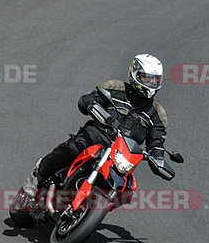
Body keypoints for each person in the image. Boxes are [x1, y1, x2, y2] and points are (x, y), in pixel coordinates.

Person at [20, 54, 169, 206]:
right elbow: (88, 99)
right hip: (96, 136)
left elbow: (156, 142)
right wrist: (91, 104)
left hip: (121, 155)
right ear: (135, 73)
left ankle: (89, 211)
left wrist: (158, 159)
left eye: (155, 79)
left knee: (126, 187)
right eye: (147, 78)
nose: (151, 83)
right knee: (73, 148)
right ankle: (38, 175)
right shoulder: (115, 87)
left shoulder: (158, 114)